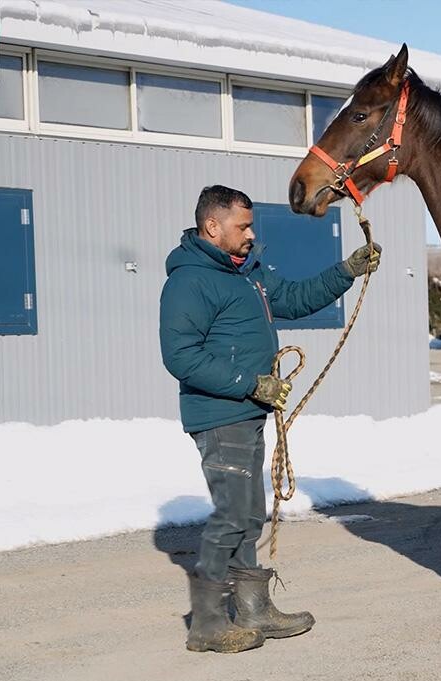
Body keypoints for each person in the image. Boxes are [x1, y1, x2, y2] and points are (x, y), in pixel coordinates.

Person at [158, 185, 380, 653]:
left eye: (251, 224)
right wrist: (249, 382)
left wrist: (347, 271)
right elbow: (180, 356)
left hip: (249, 412)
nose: (251, 234)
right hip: (219, 415)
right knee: (231, 516)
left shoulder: (248, 273)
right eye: (243, 226)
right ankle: (207, 623)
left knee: (249, 514)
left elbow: (297, 298)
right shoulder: (189, 281)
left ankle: (254, 609)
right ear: (212, 226)